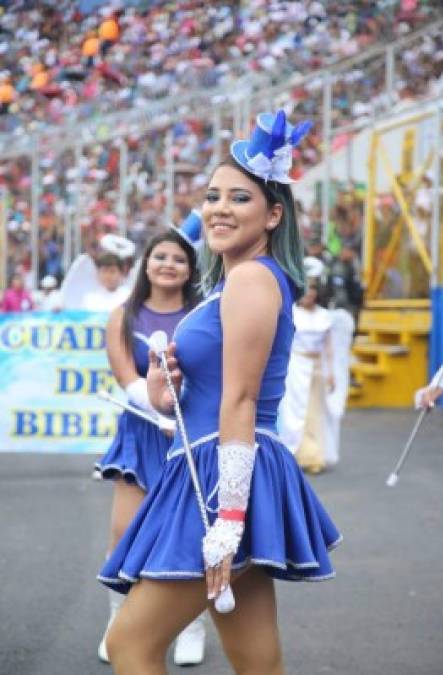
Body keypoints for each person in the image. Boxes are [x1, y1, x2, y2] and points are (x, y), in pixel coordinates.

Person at [98, 110, 341, 675]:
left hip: (222, 476)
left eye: (239, 198)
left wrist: (229, 517)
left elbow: (241, 401)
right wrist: (165, 394)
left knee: (131, 645)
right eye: (212, 197)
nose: (219, 209)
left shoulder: (254, 278)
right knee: (258, 665)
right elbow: (211, 394)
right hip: (220, 464)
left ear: (274, 214)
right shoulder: (232, 282)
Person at [95, 220, 210, 665]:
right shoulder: (124, 315)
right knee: (126, 530)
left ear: (189, 268)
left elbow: (210, 374)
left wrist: (182, 415)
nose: (168, 264)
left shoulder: (203, 315)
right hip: (142, 433)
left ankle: (191, 626)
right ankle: (117, 623)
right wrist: (158, 406)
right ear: (146, 264)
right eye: (160, 256)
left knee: (191, 533)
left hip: (191, 436)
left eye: (179, 259)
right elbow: (126, 377)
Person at [278, 257, 353, 474]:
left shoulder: (324, 316)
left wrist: (331, 373)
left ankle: (313, 454)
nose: (309, 293)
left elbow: (329, 347)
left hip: (316, 368)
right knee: (294, 411)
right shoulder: (292, 313)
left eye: (313, 289)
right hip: (296, 366)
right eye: (306, 289)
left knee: (314, 411)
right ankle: (295, 452)